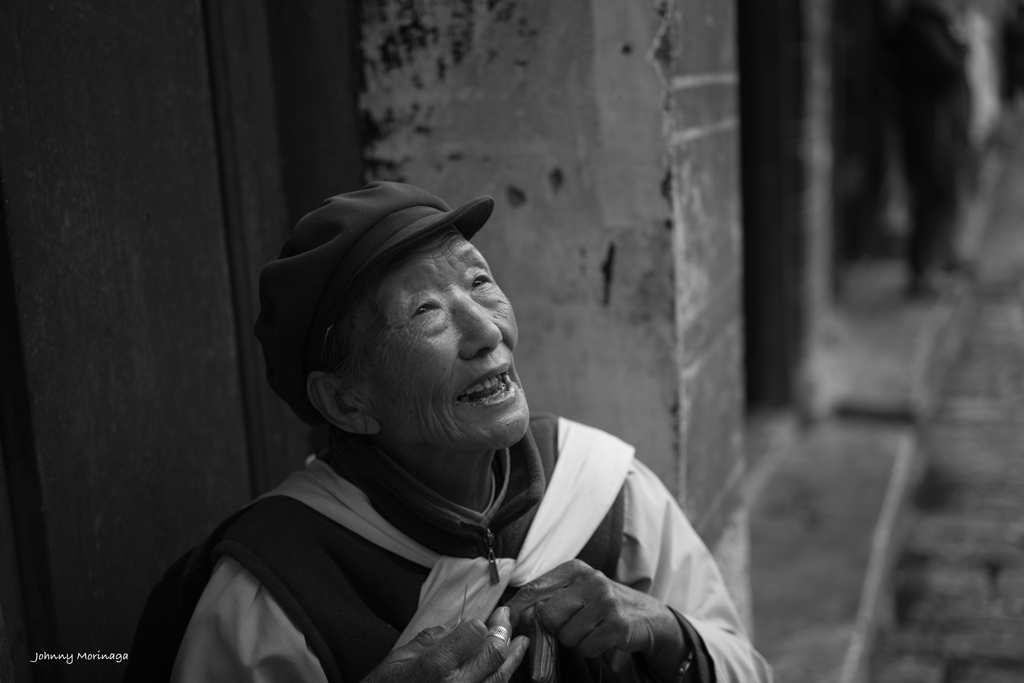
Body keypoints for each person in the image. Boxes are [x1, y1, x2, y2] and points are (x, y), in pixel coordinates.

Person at [126, 182, 772, 682]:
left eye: (480, 281)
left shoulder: (607, 490)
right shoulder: (276, 586)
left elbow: (748, 667)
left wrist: (666, 632)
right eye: (425, 311)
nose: (487, 331)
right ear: (348, 402)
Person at [887, 0, 973, 297]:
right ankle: (922, 272)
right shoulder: (921, 28)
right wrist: (961, 43)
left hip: (935, 129)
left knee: (939, 196)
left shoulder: (927, 26)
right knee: (931, 197)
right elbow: (949, 64)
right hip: (928, 131)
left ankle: (933, 265)